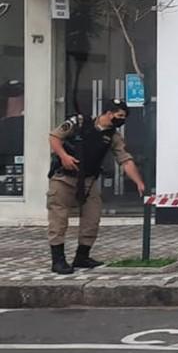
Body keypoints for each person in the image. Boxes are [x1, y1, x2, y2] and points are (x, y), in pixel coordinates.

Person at [47, 98, 146, 275]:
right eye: (120, 115)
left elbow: (125, 159)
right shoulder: (78, 123)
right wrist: (64, 156)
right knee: (59, 219)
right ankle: (58, 260)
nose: (121, 119)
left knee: (92, 219)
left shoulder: (113, 136)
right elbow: (54, 137)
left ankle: (82, 256)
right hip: (64, 178)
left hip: (89, 180)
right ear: (108, 113)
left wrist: (138, 181)